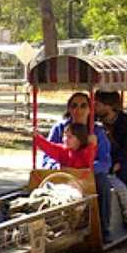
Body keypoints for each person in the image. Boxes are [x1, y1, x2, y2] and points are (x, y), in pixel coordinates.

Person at [40, 92, 114, 243]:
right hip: (62, 172)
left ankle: (103, 230)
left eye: (83, 105)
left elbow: (105, 162)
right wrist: (57, 166)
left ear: (89, 109)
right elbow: (47, 156)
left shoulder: (97, 132)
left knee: (103, 183)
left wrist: (85, 170)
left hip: (88, 175)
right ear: (69, 108)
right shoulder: (59, 128)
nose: (78, 110)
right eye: (74, 106)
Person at [94, 90, 127, 221]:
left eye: (97, 104)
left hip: (120, 161)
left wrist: (117, 164)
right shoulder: (93, 120)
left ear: (108, 105)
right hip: (100, 159)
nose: (94, 107)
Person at [32, 122, 98, 169]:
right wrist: (37, 137)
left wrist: (92, 144)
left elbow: (90, 156)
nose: (65, 139)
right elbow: (49, 147)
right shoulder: (63, 150)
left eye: (70, 137)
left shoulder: (85, 152)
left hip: (81, 183)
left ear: (80, 139)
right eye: (64, 136)